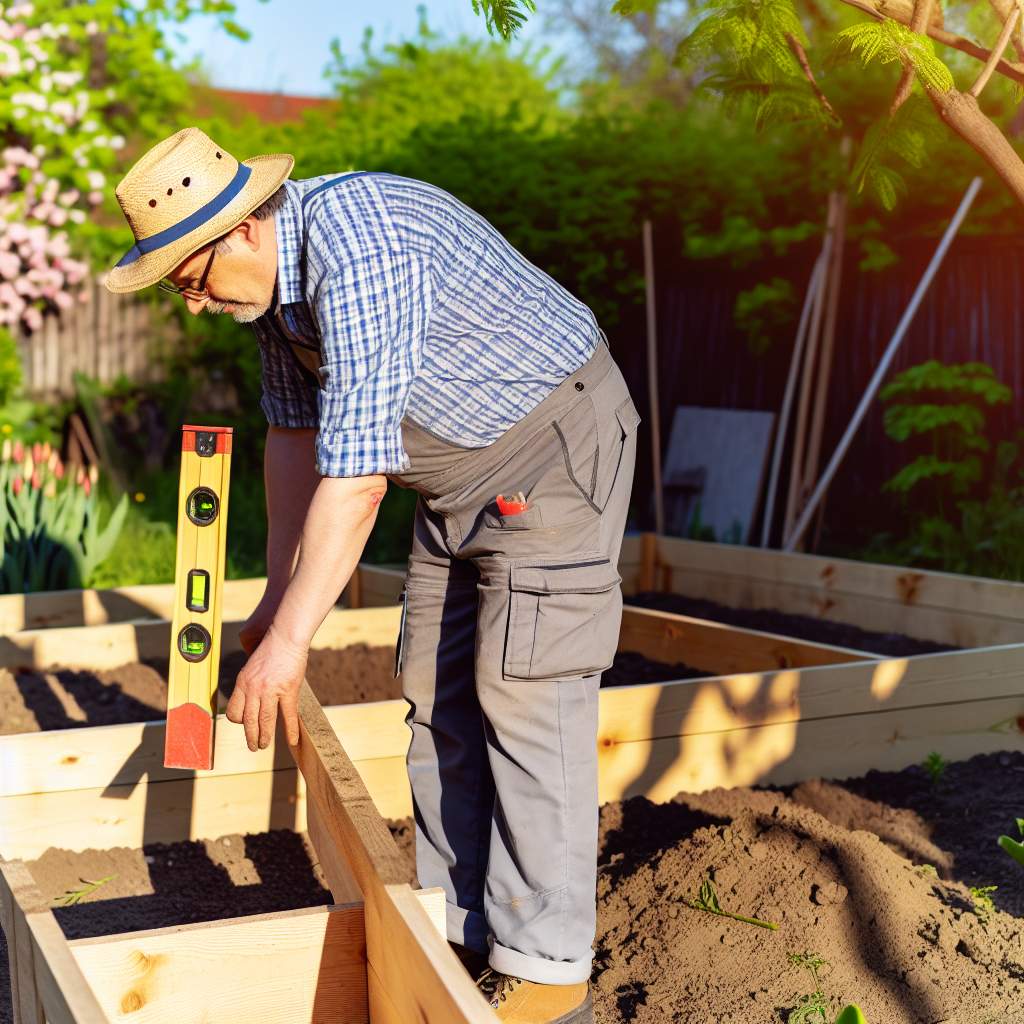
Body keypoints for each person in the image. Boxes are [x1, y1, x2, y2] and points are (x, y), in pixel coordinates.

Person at [106, 127, 639, 1024]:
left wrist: (288, 651)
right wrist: (279, 603)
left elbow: (354, 486)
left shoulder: (361, 248)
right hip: (453, 478)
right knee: (434, 686)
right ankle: (460, 933)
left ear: (239, 229)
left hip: (550, 453)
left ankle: (549, 971)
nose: (191, 304)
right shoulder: (274, 296)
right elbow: (295, 441)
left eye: (190, 279)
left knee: (524, 689)